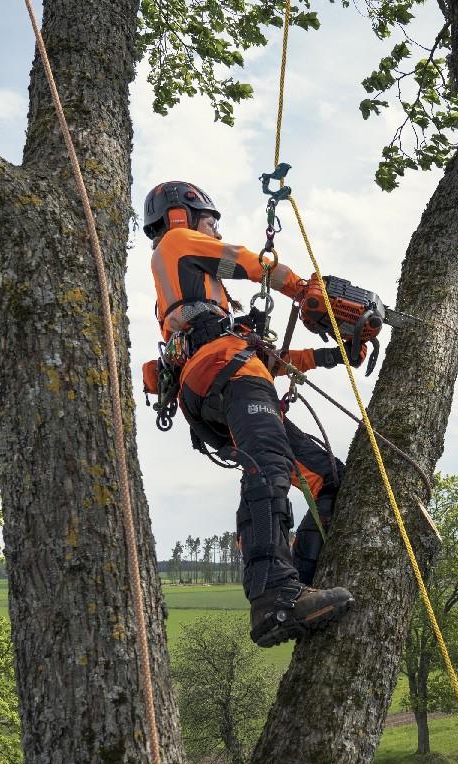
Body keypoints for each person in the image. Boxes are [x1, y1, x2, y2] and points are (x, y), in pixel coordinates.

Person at [143, 180, 357, 648]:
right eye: (209, 220)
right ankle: (272, 596)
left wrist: (334, 356)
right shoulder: (177, 244)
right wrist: (305, 291)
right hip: (224, 375)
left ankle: (299, 582)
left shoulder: (203, 299)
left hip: (233, 377)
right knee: (270, 465)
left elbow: (272, 360)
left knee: (331, 479)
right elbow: (247, 261)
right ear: (181, 216)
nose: (214, 229)